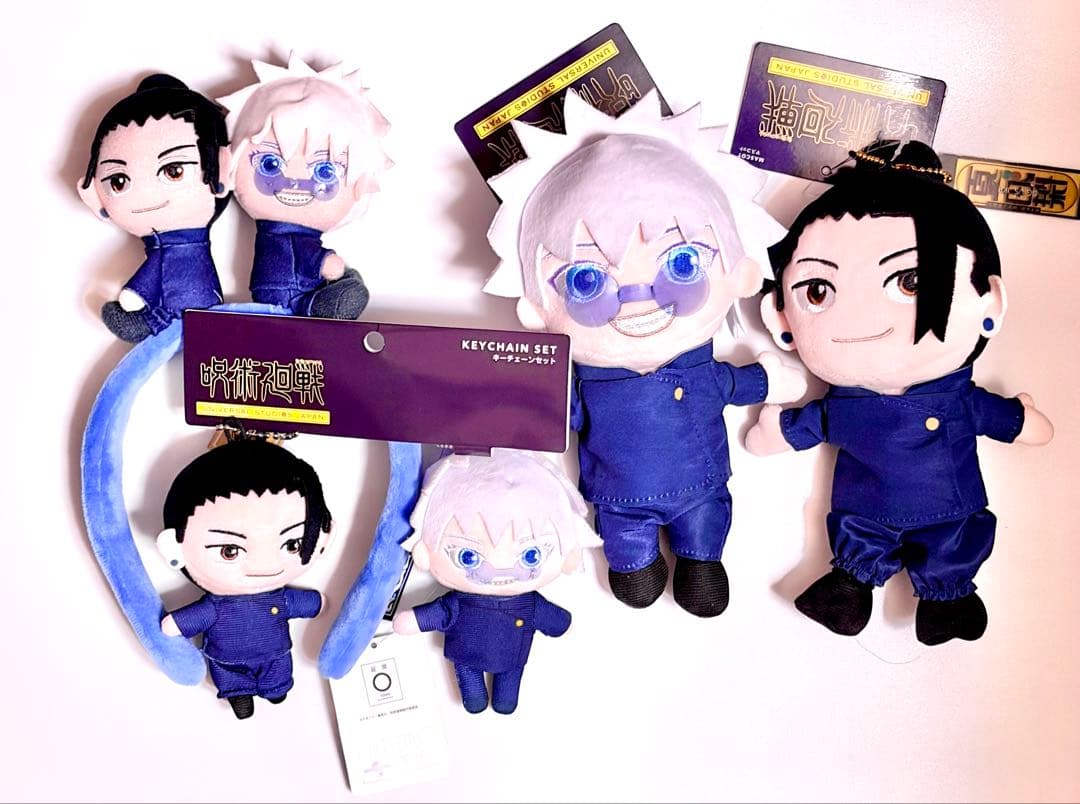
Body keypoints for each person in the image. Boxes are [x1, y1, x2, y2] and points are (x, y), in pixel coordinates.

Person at [483, 91, 805, 616]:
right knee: (632, 573)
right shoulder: (583, 386)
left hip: (700, 489)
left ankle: (702, 560)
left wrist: (770, 379)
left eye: (682, 266)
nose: (638, 300)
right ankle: (634, 564)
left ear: (741, 273)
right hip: (619, 499)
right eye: (586, 281)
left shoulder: (698, 372)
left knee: (704, 538)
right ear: (535, 308)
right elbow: (549, 413)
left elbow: (731, 382)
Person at [748, 139, 1054, 645]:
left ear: (989, 304)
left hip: (941, 510)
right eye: (819, 291)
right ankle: (851, 586)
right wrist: (778, 429)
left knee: (950, 540)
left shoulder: (957, 400)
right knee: (867, 538)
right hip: (870, 514)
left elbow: (998, 416)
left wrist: (1019, 420)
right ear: (781, 319)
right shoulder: (846, 405)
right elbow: (814, 422)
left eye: (911, 281)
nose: (863, 317)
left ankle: (946, 597)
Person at [393, 450, 597, 714]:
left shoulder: (527, 604)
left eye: (531, 556)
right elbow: (439, 613)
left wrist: (561, 624)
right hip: (468, 655)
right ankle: (480, 697)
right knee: (475, 696)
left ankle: (502, 698)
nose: (500, 571)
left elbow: (556, 620)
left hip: (510, 657)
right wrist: (414, 620)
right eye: (468, 557)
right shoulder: (465, 602)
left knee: (506, 698)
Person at [156, 438, 333, 719]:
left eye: (292, 544)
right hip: (228, 660)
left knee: (278, 675)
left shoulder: (278, 597)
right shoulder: (216, 607)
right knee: (231, 677)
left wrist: (315, 603)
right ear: (175, 549)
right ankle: (239, 694)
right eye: (229, 550)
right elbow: (187, 620)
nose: (265, 565)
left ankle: (276, 687)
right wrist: (177, 623)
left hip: (275, 654)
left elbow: (305, 603)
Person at [218, 54, 391, 319]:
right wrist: (326, 262)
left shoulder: (281, 236)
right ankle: (322, 305)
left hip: (280, 290)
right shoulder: (283, 236)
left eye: (325, 171)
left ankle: (325, 301)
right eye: (270, 164)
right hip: (284, 294)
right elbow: (317, 262)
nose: (294, 181)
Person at [78, 74, 229, 342]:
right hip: (202, 307)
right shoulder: (162, 247)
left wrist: (134, 294)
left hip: (195, 312)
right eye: (119, 181)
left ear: (222, 170)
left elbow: (148, 278)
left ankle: (154, 323)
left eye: (174, 171)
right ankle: (157, 323)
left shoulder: (168, 248)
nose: (147, 193)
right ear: (94, 196)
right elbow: (156, 270)